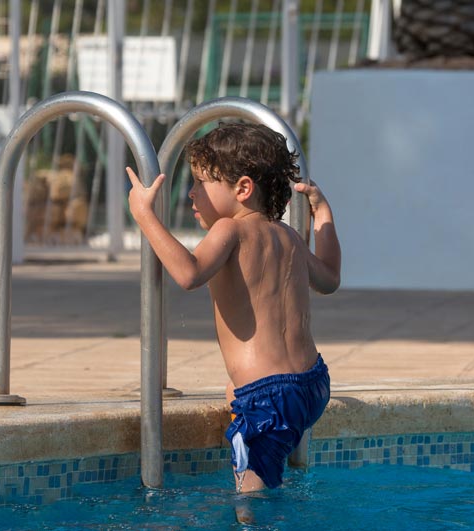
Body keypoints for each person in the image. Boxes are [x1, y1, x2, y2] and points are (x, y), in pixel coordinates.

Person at [126, 122, 341, 495]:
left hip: (267, 398)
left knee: (250, 497)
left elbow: (189, 274)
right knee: (233, 391)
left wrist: (145, 215)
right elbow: (329, 279)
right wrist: (323, 216)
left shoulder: (228, 230)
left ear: (242, 188)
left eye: (200, 182)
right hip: (313, 383)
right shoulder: (288, 235)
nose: (191, 194)